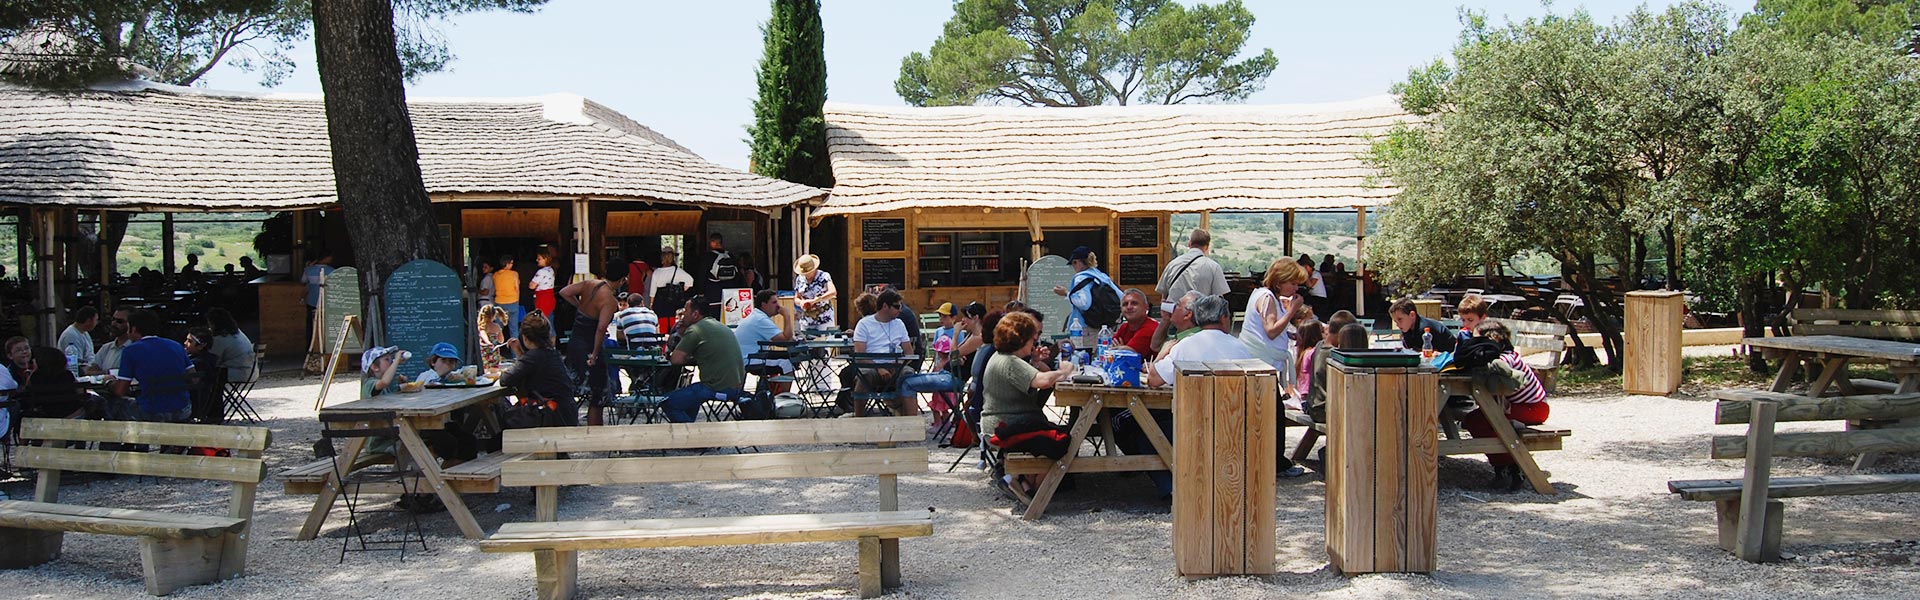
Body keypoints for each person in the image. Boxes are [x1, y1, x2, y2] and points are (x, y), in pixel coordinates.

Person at [1144, 295, 1307, 480]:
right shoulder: (1240, 348)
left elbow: (1153, 380)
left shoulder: (1185, 346)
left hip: (1192, 422)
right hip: (1234, 423)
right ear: (1223, 318)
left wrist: (1163, 353)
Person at [980, 311, 1077, 495]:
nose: (1035, 342)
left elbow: (1027, 377)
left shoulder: (1002, 357)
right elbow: (1043, 381)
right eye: (1032, 339)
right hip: (1005, 426)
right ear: (1021, 339)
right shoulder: (1010, 361)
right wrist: (1064, 371)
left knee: (1056, 433)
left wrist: (1034, 361)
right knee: (1064, 440)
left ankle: (1023, 480)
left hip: (1001, 423)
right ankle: (1036, 488)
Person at [1457, 319, 1550, 491]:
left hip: (1533, 408)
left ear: (1494, 339)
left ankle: (1513, 465)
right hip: (1516, 406)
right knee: (1473, 420)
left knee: (1487, 421)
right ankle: (1501, 465)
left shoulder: (1507, 358)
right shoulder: (1502, 356)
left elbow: (1497, 371)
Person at [558, 262, 626, 426]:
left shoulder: (590, 284)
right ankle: (595, 433)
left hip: (575, 342)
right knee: (597, 395)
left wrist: (579, 306)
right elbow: (601, 328)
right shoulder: (609, 300)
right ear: (622, 280)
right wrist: (595, 354)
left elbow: (564, 292)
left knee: (572, 388)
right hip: (590, 344)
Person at [661, 296, 745, 424]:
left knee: (667, 402)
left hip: (716, 388)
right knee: (690, 397)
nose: (683, 317)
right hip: (736, 387)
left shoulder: (696, 330)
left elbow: (676, 360)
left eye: (685, 312)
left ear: (695, 314)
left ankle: (692, 438)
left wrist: (680, 334)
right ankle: (691, 434)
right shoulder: (719, 325)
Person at [108, 309, 193, 423]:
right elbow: (194, 377)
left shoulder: (131, 351)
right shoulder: (176, 346)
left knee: (112, 404)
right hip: (183, 409)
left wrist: (109, 382)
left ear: (133, 329)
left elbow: (120, 391)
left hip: (151, 410)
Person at [1153, 228, 1231, 353]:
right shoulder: (1213, 266)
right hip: (1200, 324)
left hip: (1176, 319)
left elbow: (1163, 296)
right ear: (1207, 246)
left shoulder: (1173, 264)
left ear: (1189, 243)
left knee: (1171, 353)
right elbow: (1219, 301)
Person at [850, 289, 924, 417]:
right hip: (872, 366)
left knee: (908, 374)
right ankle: (859, 418)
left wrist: (898, 365)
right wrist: (879, 368)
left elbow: (909, 352)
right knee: (864, 377)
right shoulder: (864, 324)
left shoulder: (899, 324)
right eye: (896, 306)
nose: (900, 310)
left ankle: (910, 421)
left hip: (895, 365)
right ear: (885, 306)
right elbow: (860, 354)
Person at [498, 314, 578, 427]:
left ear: (525, 337)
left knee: (505, 417)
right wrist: (519, 353)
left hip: (551, 415)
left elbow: (505, 379)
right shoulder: (552, 353)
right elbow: (528, 367)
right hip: (566, 413)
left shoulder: (534, 356)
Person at [1240, 258, 1309, 380]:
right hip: (1260, 365)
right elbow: (1271, 331)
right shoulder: (1267, 298)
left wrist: (1287, 334)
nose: (1296, 288)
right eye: (1293, 284)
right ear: (1279, 282)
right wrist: (1292, 310)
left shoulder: (1266, 295)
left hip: (1262, 364)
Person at [1052, 246, 1123, 334]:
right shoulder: (1102, 276)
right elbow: (1121, 297)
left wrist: (1066, 293)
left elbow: (1084, 303)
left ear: (1077, 262)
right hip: (1105, 328)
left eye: (1073, 263)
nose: (1073, 267)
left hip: (1085, 327)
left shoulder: (1080, 278)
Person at [734, 290, 794, 395]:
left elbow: (783, 338)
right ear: (763, 304)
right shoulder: (760, 320)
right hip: (750, 360)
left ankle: (774, 396)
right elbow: (784, 340)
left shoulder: (757, 316)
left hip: (746, 357)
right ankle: (784, 400)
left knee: (784, 357)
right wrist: (787, 316)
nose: (778, 306)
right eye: (774, 302)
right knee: (786, 363)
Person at [184, 328, 224, 424]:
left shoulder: (196, 364)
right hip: (211, 411)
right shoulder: (213, 359)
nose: (185, 343)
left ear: (201, 345)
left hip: (194, 409)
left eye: (189, 341)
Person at [649, 247, 694, 331]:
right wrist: (682, 289)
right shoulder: (678, 271)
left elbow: (653, 291)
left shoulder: (657, 272)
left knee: (662, 326)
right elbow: (690, 280)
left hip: (660, 301)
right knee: (675, 325)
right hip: (674, 301)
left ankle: (664, 343)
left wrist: (651, 303)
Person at [1390, 297, 1457, 353]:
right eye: (1395, 321)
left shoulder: (1425, 329)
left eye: (1400, 319)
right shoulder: (1408, 329)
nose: (1397, 324)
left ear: (1412, 315)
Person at [1152, 291, 1205, 363]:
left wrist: (1156, 365)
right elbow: (1156, 346)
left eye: (1177, 304)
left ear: (1187, 315)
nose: (1173, 307)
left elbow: (1156, 372)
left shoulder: (1189, 341)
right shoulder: (1183, 334)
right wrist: (1166, 320)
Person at [206, 307, 254, 382]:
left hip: (238, 373)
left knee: (207, 373)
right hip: (251, 372)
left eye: (210, 324)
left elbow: (213, 359)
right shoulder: (237, 332)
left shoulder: (222, 338)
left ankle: (212, 393)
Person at [87, 307, 133, 375]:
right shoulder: (106, 348)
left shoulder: (136, 349)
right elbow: (90, 370)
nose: (114, 324)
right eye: (113, 319)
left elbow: (129, 373)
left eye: (119, 321)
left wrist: (105, 372)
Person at [1113, 289, 1158, 356]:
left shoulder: (1150, 328)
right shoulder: (1124, 327)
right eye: (1125, 304)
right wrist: (1121, 350)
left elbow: (1129, 355)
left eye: (1134, 303)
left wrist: (1122, 351)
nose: (1129, 307)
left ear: (1146, 307)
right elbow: (1108, 349)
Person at [1292, 319, 1325, 403]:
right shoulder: (1313, 352)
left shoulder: (1304, 353)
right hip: (1310, 397)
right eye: (1322, 331)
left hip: (1303, 395)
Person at [302, 252, 334, 337]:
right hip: (326, 301)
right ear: (326, 258)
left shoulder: (308, 270)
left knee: (311, 324)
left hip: (311, 300)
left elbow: (303, 281)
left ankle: (310, 343)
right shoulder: (332, 271)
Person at [493, 254, 523, 338]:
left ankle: (495, 348)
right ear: (508, 263)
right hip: (512, 301)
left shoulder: (495, 275)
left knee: (498, 328)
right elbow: (517, 288)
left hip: (499, 302)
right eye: (512, 263)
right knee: (513, 328)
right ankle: (515, 350)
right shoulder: (514, 274)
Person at [477, 304, 514, 371]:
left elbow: (483, 335)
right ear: (494, 315)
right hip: (494, 352)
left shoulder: (481, 327)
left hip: (484, 352)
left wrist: (488, 342)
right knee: (494, 370)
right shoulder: (496, 327)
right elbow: (501, 340)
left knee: (485, 370)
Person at [531, 248, 558, 319]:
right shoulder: (551, 270)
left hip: (542, 299)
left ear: (545, 259)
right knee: (549, 322)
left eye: (539, 259)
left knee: (542, 322)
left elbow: (532, 286)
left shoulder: (541, 272)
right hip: (550, 298)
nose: (537, 260)